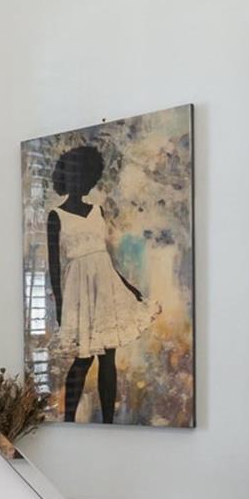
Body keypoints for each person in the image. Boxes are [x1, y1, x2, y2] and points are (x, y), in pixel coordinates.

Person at [46, 143, 155, 425]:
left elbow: (103, 258)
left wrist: (127, 287)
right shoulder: (56, 216)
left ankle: (108, 422)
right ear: (65, 177)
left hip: (106, 288)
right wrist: (60, 305)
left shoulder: (98, 211)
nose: (78, 180)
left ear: (90, 177)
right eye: (73, 174)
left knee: (108, 357)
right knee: (83, 358)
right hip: (78, 291)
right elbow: (54, 266)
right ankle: (69, 420)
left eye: (83, 174)